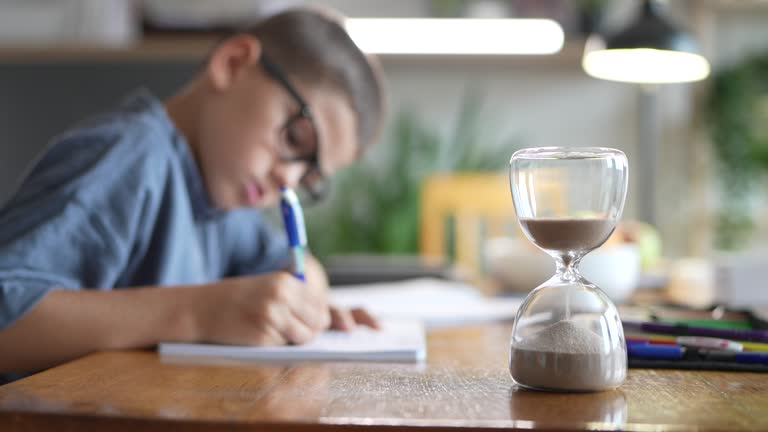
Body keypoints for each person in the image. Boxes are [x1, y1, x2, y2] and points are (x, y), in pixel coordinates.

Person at [0, 7, 385, 383]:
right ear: (233, 63)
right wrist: (198, 314)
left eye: (310, 176)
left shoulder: (226, 202)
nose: (288, 178)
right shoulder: (130, 158)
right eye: (294, 138)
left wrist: (304, 300)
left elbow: (281, 265)